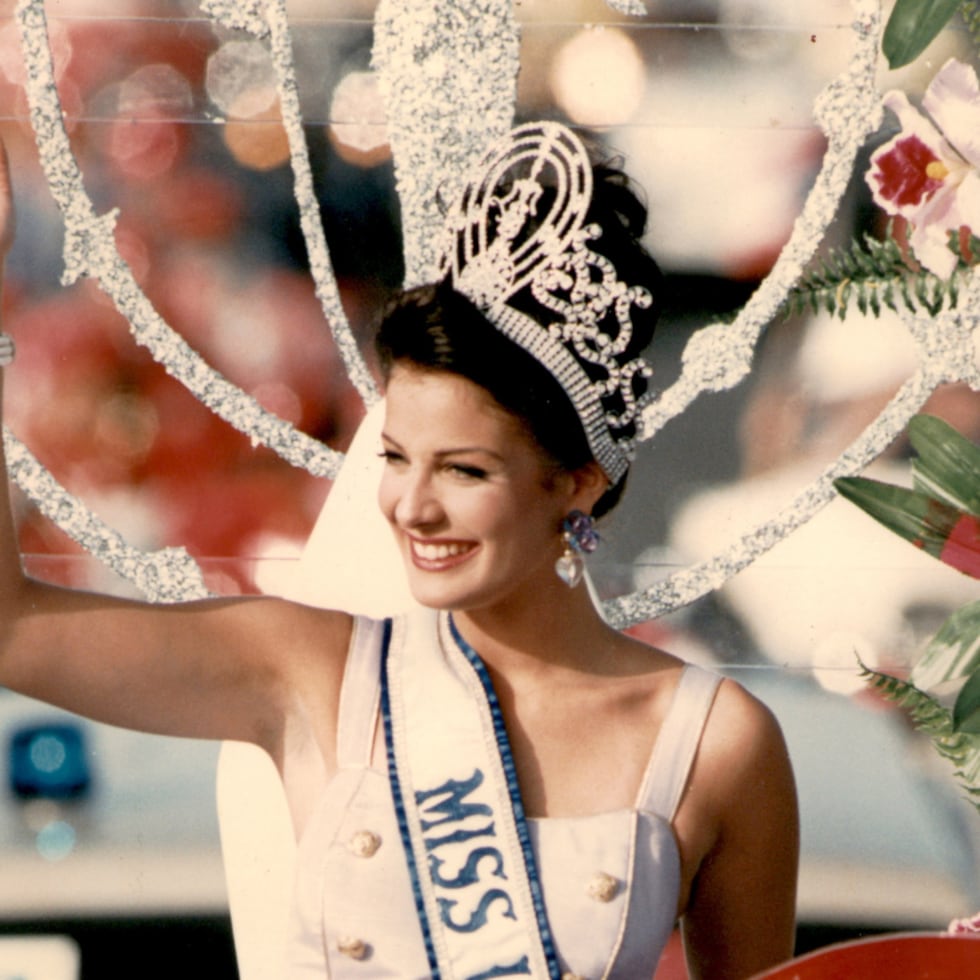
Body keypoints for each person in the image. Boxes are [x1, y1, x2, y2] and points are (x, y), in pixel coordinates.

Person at [0, 124, 798, 979]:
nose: (412, 507)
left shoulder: (715, 744)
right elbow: (14, 633)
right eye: (393, 456)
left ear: (578, 481)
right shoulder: (312, 673)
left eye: (463, 470)